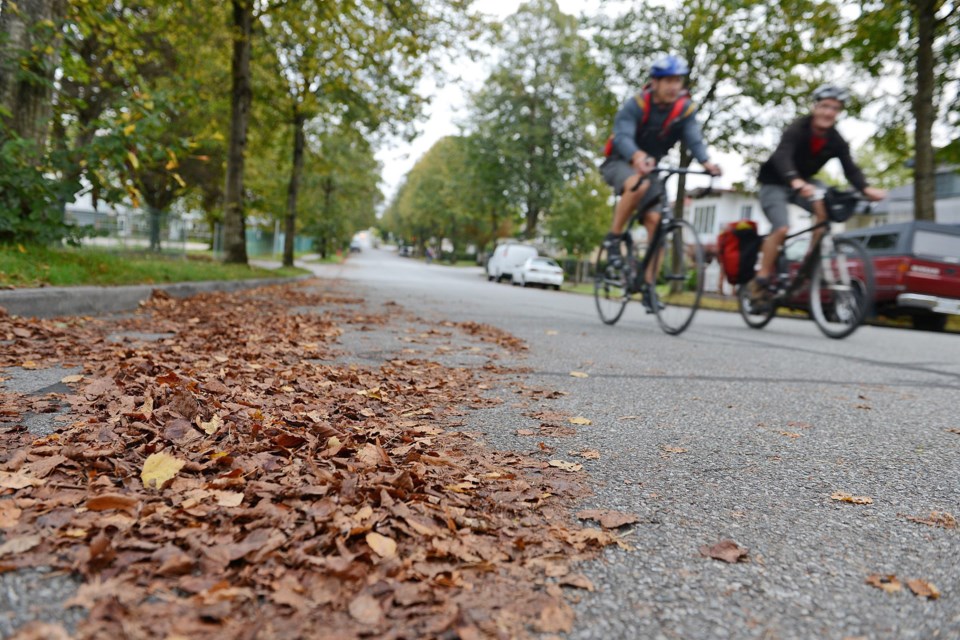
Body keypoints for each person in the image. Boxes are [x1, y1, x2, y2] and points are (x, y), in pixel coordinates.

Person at [600, 53, 721, 312]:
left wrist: (706, 162)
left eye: (677, 80)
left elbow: (694, 138)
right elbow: (621, 136)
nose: (673, 86)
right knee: (638, 183)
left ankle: (648, 286)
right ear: (654, 82)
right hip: (620, 161)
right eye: (667, 80)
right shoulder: (636, 105)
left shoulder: (685, 110)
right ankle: (614, 237)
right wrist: (637, 155)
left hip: (651, 167)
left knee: (658, 224)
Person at [751, 84, 887, 299]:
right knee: (782, 228)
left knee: (825, 210)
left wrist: (866, 188)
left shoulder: (836, 140)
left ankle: (809, 264)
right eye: (824, 106)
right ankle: (762, 275)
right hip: (775, 182)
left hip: (804, 184)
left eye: (834, 108)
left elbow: (850, 168)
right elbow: (782, 155)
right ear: (815, 107)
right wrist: (794, 180)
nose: (828, 112)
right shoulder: (798, 129)